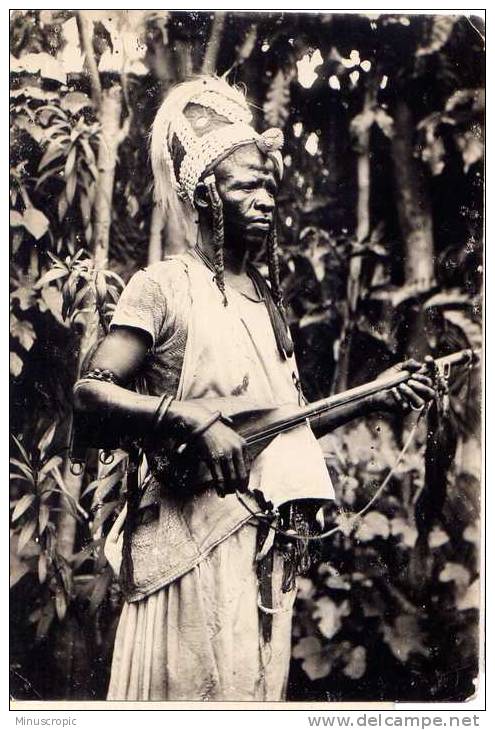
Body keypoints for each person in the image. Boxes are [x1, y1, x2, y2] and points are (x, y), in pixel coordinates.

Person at [72, 77, 435, 701]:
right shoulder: (164, 285)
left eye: (269, 184)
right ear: (207, 193)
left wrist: (372, 394)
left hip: (255, 550)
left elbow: (276, 425)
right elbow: (92, 389)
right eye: (246, 185)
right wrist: (189, 418)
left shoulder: (265, 300)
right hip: (184, 549)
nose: (265, 198)